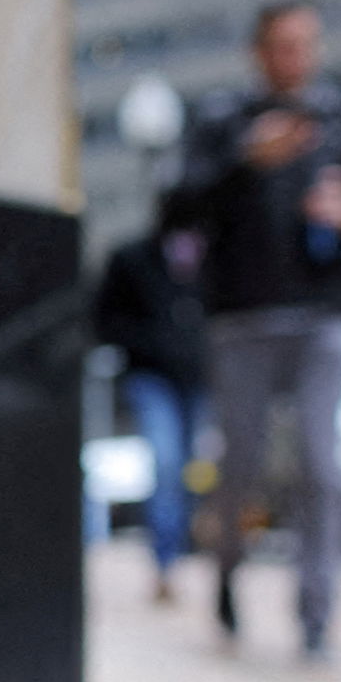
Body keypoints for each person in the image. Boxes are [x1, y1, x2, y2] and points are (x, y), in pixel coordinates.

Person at [179, 0, 341, 659]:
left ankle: (316, 615)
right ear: (258, 50)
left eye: (305, 44)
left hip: (322, 317)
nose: (294, 57)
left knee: (322, 467)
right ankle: (227, 572)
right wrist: (247, 161)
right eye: (281, 45)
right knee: (239, 466)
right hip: (240, 317)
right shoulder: (223, 122)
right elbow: (177, 205)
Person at [95, 189, 208, 603]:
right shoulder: (131, 258)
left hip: (198, 380)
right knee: (166, 462)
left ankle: (179, 551)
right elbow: (104, 319)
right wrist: (152, 345)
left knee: (192, 469)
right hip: (151, 376)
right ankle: (165, 563)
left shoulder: (211, 261)